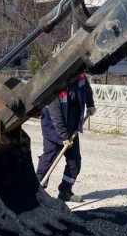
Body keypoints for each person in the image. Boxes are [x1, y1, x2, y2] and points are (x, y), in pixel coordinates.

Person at [36, 73, 95, 203]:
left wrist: (90, 104)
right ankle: (37, 191)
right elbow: (55, 115)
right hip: (53, 128)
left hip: (72, 128)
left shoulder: (80, 77)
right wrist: (63, 136)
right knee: (49, 159)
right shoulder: (55, 85)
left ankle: (65, 191)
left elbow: (86, 89)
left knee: (75, 162)